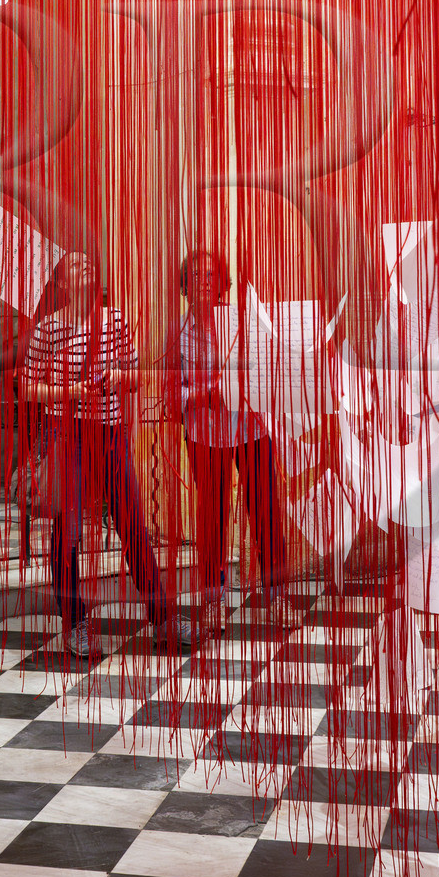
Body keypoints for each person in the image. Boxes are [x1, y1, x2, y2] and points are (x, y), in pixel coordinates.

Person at [20, 253, 190, 660]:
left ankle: (161, 619)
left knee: (132, 525)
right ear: (62, 283)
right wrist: (70, 392)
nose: (88, 269)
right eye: (77, 266)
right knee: (69, 532)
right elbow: (26, 388)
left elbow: (135, 376)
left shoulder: (114, 320)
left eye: (90, 265)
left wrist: (119, 377)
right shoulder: (50, 327)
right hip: (68, 436)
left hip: (111, 435)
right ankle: (74, 622)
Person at [173, 248, 289, 613]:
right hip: (205, 435)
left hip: (251, 431)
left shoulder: (246, 323)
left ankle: (276, 595)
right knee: (212, 517)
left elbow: (271, 370)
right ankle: (213, 597)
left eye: (210, 275)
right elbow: (169, 395)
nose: (203, 281)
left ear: (223, 284)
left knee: (265, 510)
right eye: (194, 275)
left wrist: (249, 384)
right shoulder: (175, 333)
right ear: (184, 287)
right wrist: (203, 395)